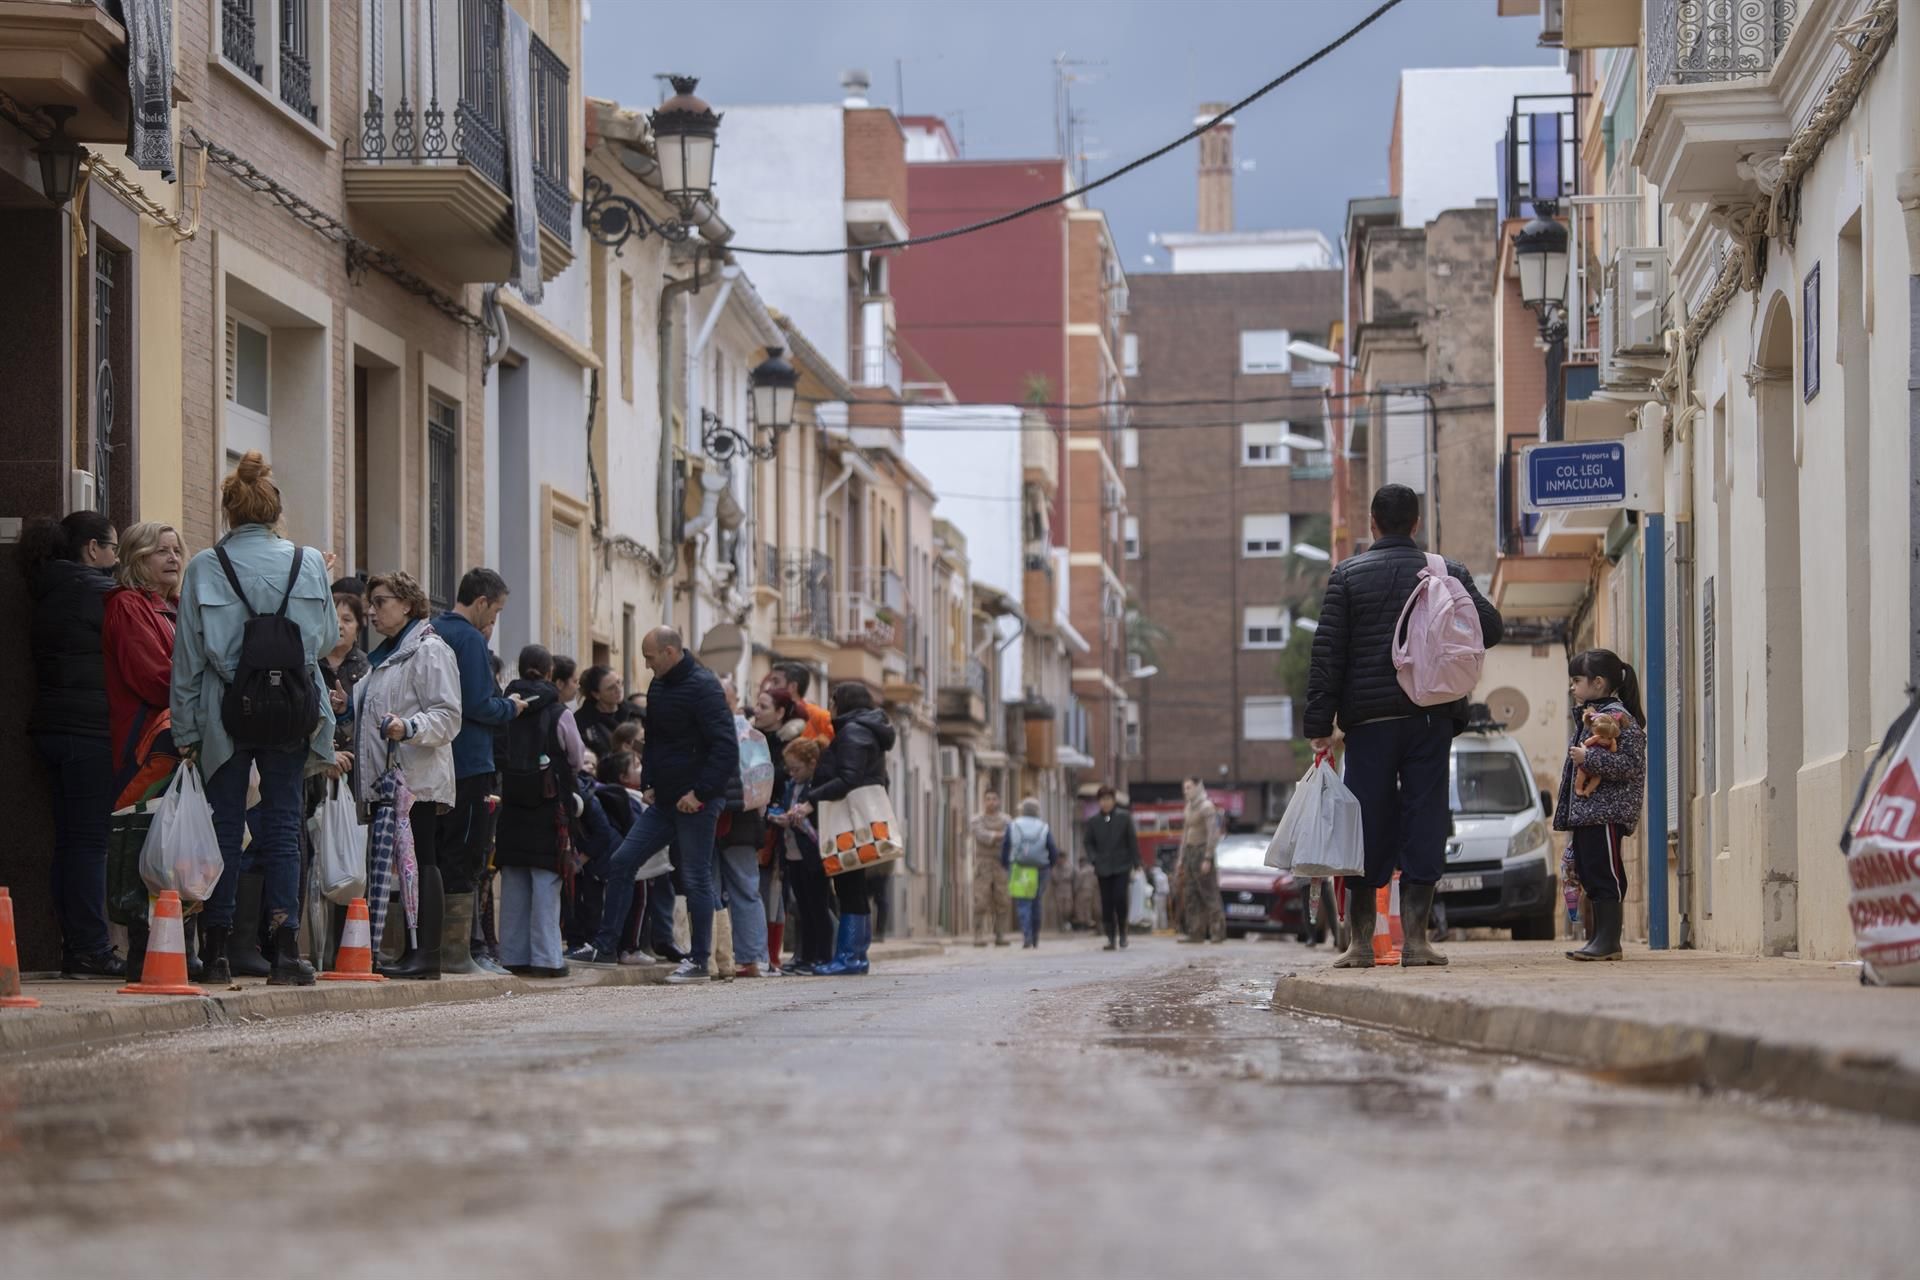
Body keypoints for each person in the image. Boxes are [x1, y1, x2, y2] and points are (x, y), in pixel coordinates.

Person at [1305, 483, 1505, 968]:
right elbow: (1491, 629)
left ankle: (1358, 946)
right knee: (1425, 818)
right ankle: (1416, 941)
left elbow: (1328, 655)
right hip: (1430, 718)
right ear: (1416, 524)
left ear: (1373, 523)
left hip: (1370, 723)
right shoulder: (1446, 570)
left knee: (1365, 824)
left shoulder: (1348, 576)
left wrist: (1319, 721)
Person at [172, 452, 339, 986]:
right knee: (284, 826)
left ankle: (216, 949)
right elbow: (327, 640)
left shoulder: (204, 566)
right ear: (275, 510)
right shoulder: (309, 563)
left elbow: (189, 661)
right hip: (291, 706)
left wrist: (185, 732)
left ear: (228, 512)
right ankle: (286, 948)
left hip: (225, 709)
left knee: (224, 825)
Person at [567, 627, 736, 983]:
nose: (646, 664)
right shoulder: (659, 686)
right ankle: (606, 946)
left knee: (695, 877)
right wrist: (649, 784)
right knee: (622, 860)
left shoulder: (704, 687)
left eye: (650, 657)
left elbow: (724, 748)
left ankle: (700, 961)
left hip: (697, 802)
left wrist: (700, 794)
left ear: (671, 652)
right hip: (665, 800)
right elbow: (655, 740)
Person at [21, 511, 124, 978]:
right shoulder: (96, 591)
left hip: (51, 728)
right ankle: (90, 946)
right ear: (92, 550)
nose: (117, 558)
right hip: (88, 731)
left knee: (68, 842)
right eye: (114, 548)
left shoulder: (47, 588)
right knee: (88, 842)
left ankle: (75, 944)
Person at [349, 572, 463, 979]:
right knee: (405, 863)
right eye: (371, 602)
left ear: (407, 605)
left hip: (415, 780)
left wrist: (409, 728)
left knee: (422, 860)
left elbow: (448, 715)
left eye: (380, 601)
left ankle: (426, 955)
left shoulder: (429, 650)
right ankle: (411, 950)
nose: (371, 611)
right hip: (391, 782)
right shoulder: (387, 656)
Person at [102, 521, 188, 982]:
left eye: (176, 550)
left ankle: (174, 942)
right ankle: (143, 949)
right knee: (141, 839)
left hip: (175, 740)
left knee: (173, 843)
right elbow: (155, 677)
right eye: (161, 551)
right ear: (137, 558)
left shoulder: (174, 608)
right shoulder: (128, 607)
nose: (173, 558)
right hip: (143, 743)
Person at [430, 568, 526, 974]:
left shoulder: (432, 630)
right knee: (466, 855)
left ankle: (436, 948)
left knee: (436, 851)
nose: (494, 621)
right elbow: (478, 704)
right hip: (468, 762)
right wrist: (512, 707)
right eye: (497, 611)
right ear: (482, 601)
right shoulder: (468, 638)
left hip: (436, 761)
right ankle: (458, 953)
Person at [1553, 649, 1647, 963]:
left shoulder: (1619, 718)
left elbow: (1630, 764)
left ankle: (1609, 940)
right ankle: (1599, 938)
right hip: (1588, 813)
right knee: (1590, 871)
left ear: (1598, 682)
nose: (1572, 687)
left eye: (1577, 680)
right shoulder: (1592, 712)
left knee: (1605, 871)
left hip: (1605, 813)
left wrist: (1588, 758)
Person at [496, 645, 584, 978]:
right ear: (550, 674)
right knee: (546, 884)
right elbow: (575, 758)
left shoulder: (506, 709)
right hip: (549, 808)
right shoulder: (560, 713)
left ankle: (513, 956)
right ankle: (547, 958)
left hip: (511, 807)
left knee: (515, 881)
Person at [797, 682, 895, 975]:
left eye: (833, 701)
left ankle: (850, 956)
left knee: (849, 887)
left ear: (843, 703)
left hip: (849, 821)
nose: (830, 708)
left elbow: (849, 777)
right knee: (854, 887)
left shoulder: (853, 732)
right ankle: (855, 955)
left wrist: (811, 799)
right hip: (858, 820)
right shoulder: (866, 730)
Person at [717, 676, 771, 978]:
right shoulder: (748, 734)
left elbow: (759, 785)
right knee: (716, 888)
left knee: (743, 886)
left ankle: (750, 956)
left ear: (734, 700)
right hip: (724, 817)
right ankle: (725, 956)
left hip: (738, 821)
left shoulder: (748, 736)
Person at [773, 738, 834, 974]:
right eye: (789, 768)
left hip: (812, 854)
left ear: (812, 764)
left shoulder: (816, 788)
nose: (792, 773)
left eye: (796, 768)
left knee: (818, 907)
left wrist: (802, 819)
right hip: (792, 852)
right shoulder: (792, 785)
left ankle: (823, 955)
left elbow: (819, 820)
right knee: (802, 908)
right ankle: (805, 956)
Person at [1083, 785, 1139, 950]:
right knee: (1106, 902)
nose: (1105, 803)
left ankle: (1123, 933)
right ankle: (1110, 936)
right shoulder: (1094, 822)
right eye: (1102, 800)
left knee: (1120, 898)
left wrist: (1136, 862)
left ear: (1114, 801)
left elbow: (1132, 841)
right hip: (1103, 867)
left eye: (1108, 799)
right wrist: (1094, 859)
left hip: (1122, 865)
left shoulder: (1124, 818)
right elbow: (1088, 842)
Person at [1002, 797, 1060, 949]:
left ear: (1022, 810)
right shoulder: (1043, 826)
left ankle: (1026, 934)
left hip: (1020, 868)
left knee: (1023, 903)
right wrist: (1050, 865)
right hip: (1040, 868)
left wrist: (1006, 865)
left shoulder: (1013, 825)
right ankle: (1035, 937)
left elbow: (1006, 847)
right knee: (1036, 902)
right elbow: (1052, 849)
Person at [1175, 777, 1226, 944]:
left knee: (1209, 893)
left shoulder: (1207, 807)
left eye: (1188, 787)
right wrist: (1181, 858)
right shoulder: (1189, 808)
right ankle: (1195, 932)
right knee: (1191, 893)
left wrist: (1208, 857)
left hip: (1202, 851)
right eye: (1184, 788)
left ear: (1197, 787)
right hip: (1190, 852)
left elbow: (1213, 833)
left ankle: (1217, 932)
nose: (1186, 791)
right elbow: (1185, 834)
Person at [969, 790, 1013, 947]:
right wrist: (997, 836)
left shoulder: (1007, 819)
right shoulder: (977, 819)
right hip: (983, 863)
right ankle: (978, 935)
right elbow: (981, 835)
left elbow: (1010, 836)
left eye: (994, 799)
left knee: (1002, 900)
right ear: (983, 801)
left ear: (999, 801)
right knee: (981, 900)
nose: (991, 802)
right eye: (988, 799)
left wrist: (995, 836)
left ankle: (1000, 934)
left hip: (1000, 863)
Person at [574, 665, 642, 758]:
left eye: (619, 682)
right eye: (611, 688)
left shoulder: (637, 712)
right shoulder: (582, 723)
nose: (618, 689)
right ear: (596, 694)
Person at [763, 661, 835, 742]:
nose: (769, 688)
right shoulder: (767, 714)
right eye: (770, 682)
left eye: (776, 682)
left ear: (793, 687)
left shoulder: (819, 716)